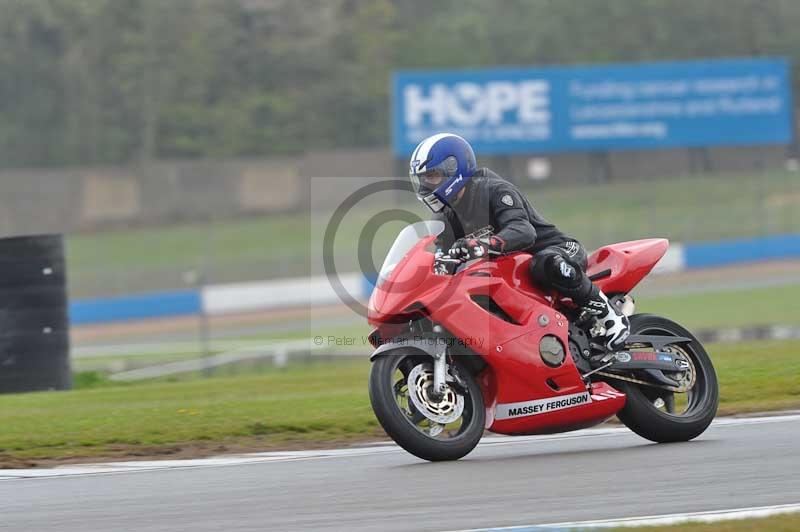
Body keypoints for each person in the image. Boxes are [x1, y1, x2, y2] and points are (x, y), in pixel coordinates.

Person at [408, 132, 629, 351]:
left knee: (545, 263)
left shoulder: (493, 189)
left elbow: (523, 231)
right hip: (514, 272)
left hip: (556, 251)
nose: (426, 186)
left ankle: (610, 314)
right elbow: (441, 259)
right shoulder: (445, 216)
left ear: (454, 169)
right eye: (423, 179)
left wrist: (483, 244)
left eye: (432, 176)